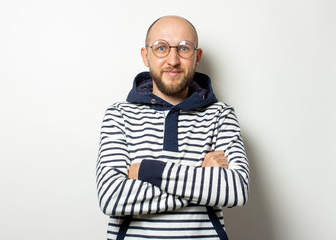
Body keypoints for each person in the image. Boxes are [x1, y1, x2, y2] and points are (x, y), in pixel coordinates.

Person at [96, 15, 249, 240]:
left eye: (184, 48)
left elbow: (235, 190)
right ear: (145, 55)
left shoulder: (221, 115)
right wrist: (203, 177)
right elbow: (111, 197)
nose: (173, 59)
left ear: (197, 57)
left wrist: (148, 171)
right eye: (161, 48)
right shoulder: (118, 115)